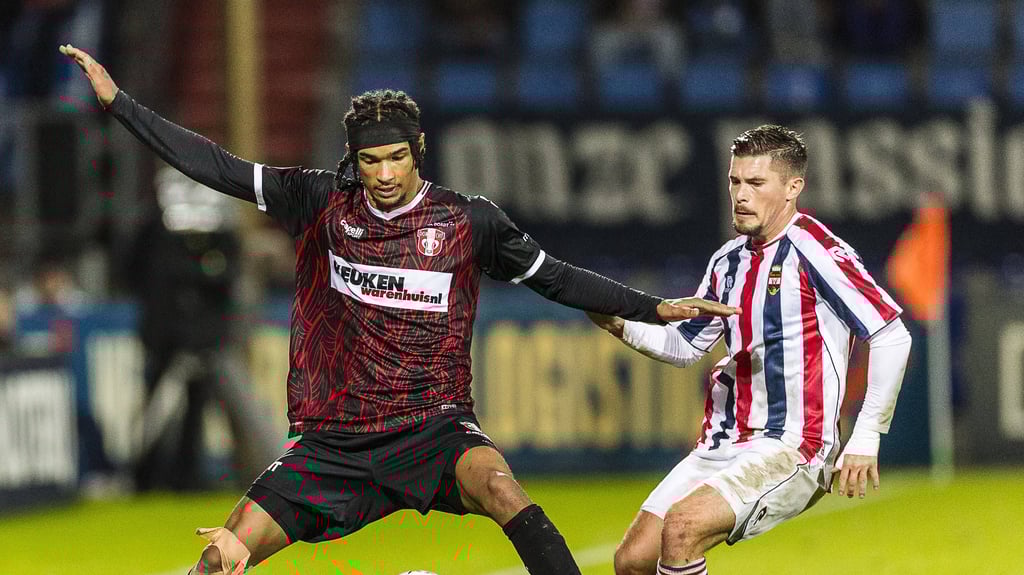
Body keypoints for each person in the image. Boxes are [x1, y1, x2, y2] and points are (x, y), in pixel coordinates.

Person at [60, 44, 737, 575]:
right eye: (369, 160)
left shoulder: (471, 222)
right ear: (353, 159)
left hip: (435, 427)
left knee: (502, 488)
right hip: (334, 443)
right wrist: (122, 104)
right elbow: (219, 166)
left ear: (418, 152)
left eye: (395, 158)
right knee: (224, 552)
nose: (383, 174)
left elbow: (555, 278)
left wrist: (653, 306)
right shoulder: (320, 199)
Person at [587, 125, 912, 575]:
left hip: (795, 444)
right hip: (723, 441)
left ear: (792, 187)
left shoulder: (814, 249)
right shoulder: (727, 261)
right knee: (633, 560)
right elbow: (685, 346)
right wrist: (620, 325)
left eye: (756, 183)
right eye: (735, 181)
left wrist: (867, 435)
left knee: (683, 528)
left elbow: (891, 333)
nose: (741, 195)